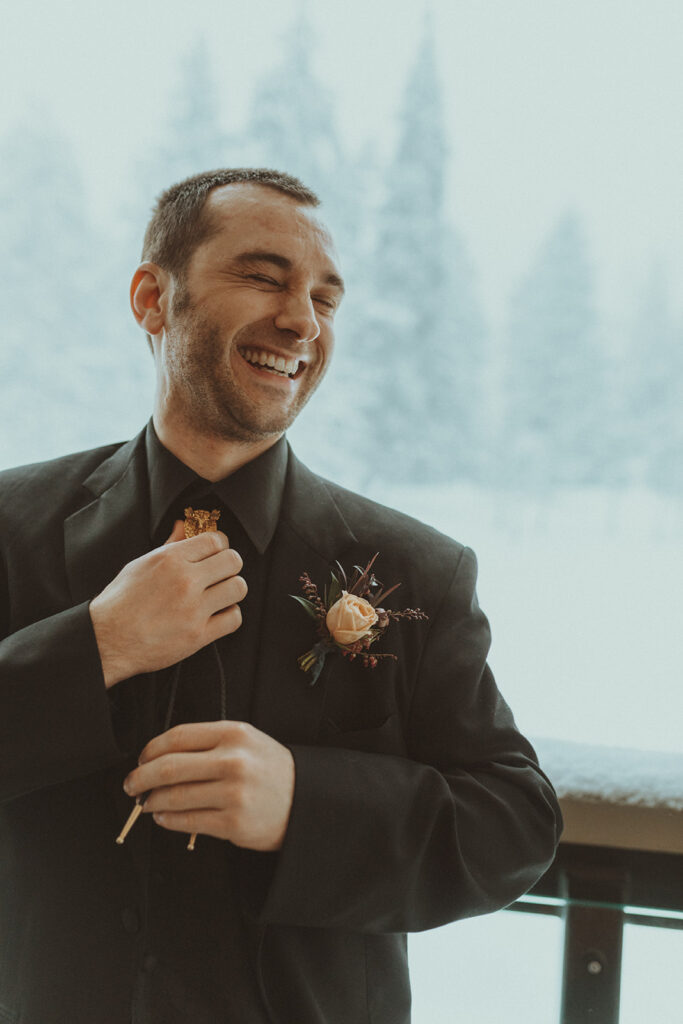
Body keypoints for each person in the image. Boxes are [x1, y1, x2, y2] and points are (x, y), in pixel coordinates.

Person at [0, 168, 562, 1024]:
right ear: (153, 299)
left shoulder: (419, 570)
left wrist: (304, 805)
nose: (301, 320)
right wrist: (97, 648)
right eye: (263, 276)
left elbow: (514, 823)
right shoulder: (12, 527)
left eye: (325, 298)